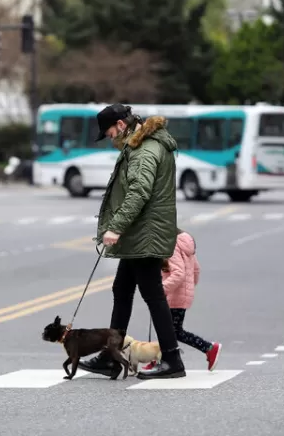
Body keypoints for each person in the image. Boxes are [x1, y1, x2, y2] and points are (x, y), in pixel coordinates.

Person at [79, 103, 185, 380]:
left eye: (110, 132)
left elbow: (139, 192)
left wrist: (116, 227)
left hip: (144, 233)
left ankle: (172, 360)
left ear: (122, 126)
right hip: (140, 233)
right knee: (122, 289)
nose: (110, 138)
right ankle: (111, 357)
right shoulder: (139, 146)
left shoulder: (144, 151)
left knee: (152, 295)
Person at [142, 229, 222, 372]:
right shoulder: (184, 244)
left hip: (173, 295)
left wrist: (161, 290)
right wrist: (189, 288)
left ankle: (209, 347)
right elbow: (196, 270)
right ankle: (159, 359)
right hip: (181, 294)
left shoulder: (171, 246)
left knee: (171, 330)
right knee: (169, 329)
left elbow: (178, 273)